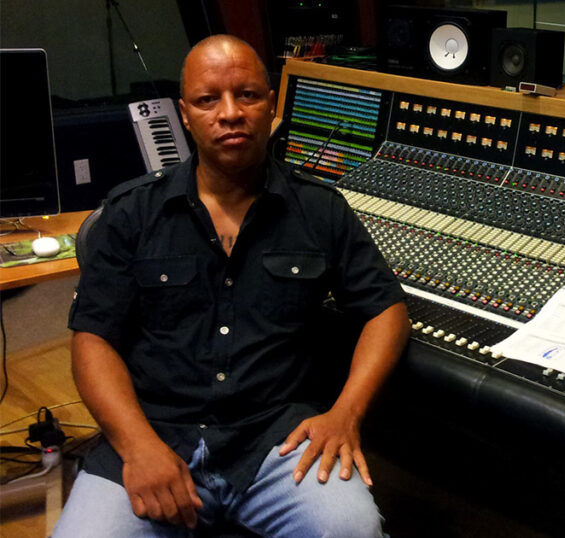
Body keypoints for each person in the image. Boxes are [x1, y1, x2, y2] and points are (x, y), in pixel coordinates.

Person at [54, 34, 409, 537]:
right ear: (184, 113)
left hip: (274, 441)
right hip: (154, 434)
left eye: (247, 95)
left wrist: (345, 413)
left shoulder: (320, 210)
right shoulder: (132, 212)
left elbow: (386, 311)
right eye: (207, 99)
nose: (229, 113)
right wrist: (137, 447)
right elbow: (92, 339)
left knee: (352, 529)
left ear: (271, 105)